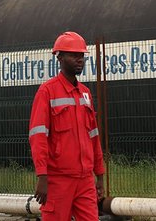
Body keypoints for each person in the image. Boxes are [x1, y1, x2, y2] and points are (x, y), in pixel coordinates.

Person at [29, 31, 105, 221]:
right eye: (74, 55)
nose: (79, 60)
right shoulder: (47, 92)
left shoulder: (85, 94)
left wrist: (100, 175)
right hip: (57, 181)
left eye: (81, 56)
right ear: (60, 57)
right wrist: (42, 176)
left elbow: (94, 137)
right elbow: (38, 136)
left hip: (85, 179)